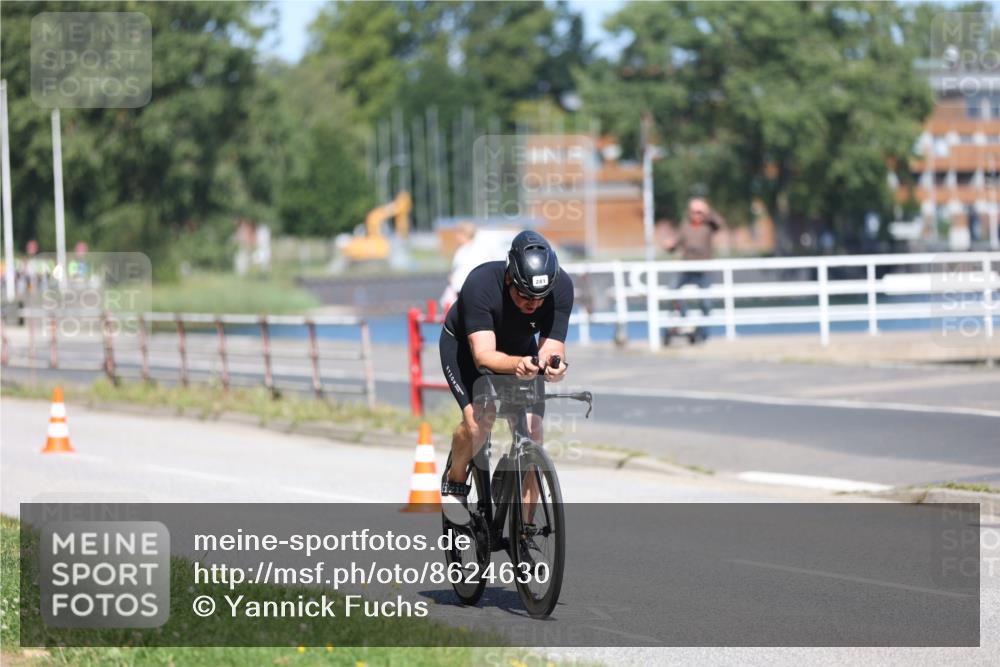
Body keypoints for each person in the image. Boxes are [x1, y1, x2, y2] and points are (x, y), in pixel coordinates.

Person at [438, 231, 573, 525]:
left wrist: (554, 366)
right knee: (480, 420)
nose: (533, 304)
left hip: (519, 350)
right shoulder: (481, 283)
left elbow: (552, 348)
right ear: (510, 277)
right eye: (525, 295)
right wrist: (518, 365)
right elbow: (483, 356)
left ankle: (524, 532)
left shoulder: (561, 287)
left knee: (533, 434)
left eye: (540, 297)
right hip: (466, 349)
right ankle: (456, 481)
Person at [662, 197, 727, 342]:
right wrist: (669, 245)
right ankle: (686, 320)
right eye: (693, 212)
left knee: (706, 302)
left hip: (704, 270)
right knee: (673, 290)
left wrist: (708, 211)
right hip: (686, 268)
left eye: (699, 212)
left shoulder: (709, 225)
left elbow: (720, 224)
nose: (696, 215)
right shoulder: (685, 226)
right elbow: (675, 244)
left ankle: (702, 334)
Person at [440, 221, 487, 308]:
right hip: (459, 288)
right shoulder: (462, 249)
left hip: (470, 289)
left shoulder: (477, 250)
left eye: (458, 233)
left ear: (464, 234)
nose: (456, 236)